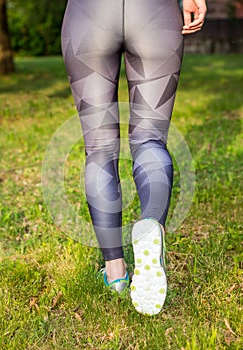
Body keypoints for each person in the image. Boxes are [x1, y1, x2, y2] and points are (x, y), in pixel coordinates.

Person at [61, 0, 207, 315]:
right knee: (150, 138)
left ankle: (115, 274)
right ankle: (151, 224)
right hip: (154, 12)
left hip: (89, 14)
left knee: (100, 146)